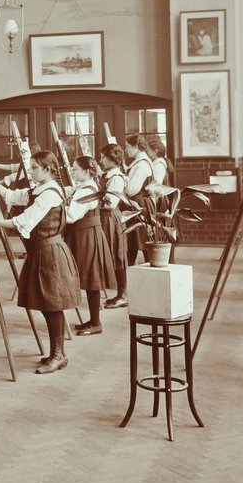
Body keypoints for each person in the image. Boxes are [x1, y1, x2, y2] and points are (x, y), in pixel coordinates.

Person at [0, 151, 81, 374]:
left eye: (34, 167)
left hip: (50, 253)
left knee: (52, 304)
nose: (30, 171)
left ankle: (58, 355)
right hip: (42, 251)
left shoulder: (50, 194)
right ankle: (57, 352)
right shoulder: (40, 190)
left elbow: (24, 220)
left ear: (47, 169)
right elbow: (14, 196)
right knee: (47, 304)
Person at [63, 156, 115, 335]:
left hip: (86, 237)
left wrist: (56, 207)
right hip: (85, 235)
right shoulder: (86, 186)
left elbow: (70, 216)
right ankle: (93, 320)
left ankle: (96, 323)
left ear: (86, 171)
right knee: (89, 278)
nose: (72, 170)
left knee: (92, 279)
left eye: (75, 168)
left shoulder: (86, 190)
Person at [99, 144, 130, 309]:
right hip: (105, 218)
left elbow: (111, 203)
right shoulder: (108, 175)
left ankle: (123, 295)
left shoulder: (116, 177)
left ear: (113, 159)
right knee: (111, 255)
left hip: (110, 218)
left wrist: (93, 198)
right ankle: (119, 294)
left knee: (117, 255)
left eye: (104, 157)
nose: (101, 160)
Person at [121, 134, 154, 267]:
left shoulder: (141, 165)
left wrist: (122, 180)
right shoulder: (140, 162)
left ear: (136, 146)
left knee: (139, 243)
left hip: (138, 205)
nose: (125, 150)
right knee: (137, 242)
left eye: (128, 146)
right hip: (140, 204)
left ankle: (147, 274)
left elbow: (131, 190)